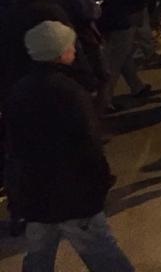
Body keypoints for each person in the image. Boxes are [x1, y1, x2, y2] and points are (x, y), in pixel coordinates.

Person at [4, 21, 135, 272]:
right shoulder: (70, 92)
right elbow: (88, 142)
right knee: (103, 253)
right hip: (72, 191)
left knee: (39, 253)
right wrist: (100, 181)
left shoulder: (19, 90)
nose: (74, 50)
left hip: (34, 191)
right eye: (70, 46)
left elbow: (13, 143)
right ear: (59, 53)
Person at [84, 0, 152, 111]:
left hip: (102, 21)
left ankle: (137, 86)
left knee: (122, 55)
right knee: (114, 62)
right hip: (122, 20)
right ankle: (104, 101)